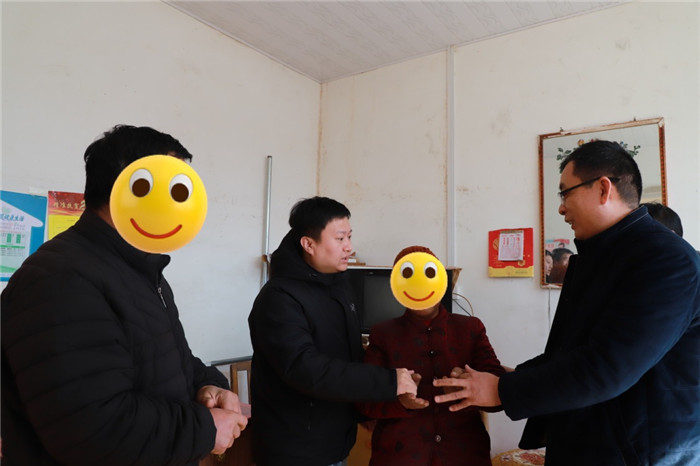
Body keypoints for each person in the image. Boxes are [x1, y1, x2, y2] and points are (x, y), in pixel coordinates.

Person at [434, 140, 700, 465]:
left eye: (565, 193)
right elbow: (572, 352)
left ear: (603, 189)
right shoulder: (601, 256)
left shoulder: (667, 261)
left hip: (637, 453)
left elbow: (607, 367)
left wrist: (502, 391)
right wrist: (508, 377)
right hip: (590, 443)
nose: (561, 208)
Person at [1, 125, 248, 465]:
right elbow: (92, 430)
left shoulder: (141, 269)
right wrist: (204, 428)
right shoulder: (60, 278)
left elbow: (171, 359)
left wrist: (209, 386)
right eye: (171, 188)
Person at [247, 196, 418, 466]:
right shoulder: (279, 298)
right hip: (295, 451)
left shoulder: (338, 286)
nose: (349, 247)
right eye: (339, 239)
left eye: (349, 236)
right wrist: (386, 382)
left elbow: (346, 357)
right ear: (308, 244)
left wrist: (367, 409)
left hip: (335, 443)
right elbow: (305, 369)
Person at [357, 246, 504, 466]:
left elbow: (502, 394)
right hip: (399, 457)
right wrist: (400, 401)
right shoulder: (383, 334)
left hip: (464, 455)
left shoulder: (470, 328)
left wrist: (468, 389)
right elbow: (364, 401)